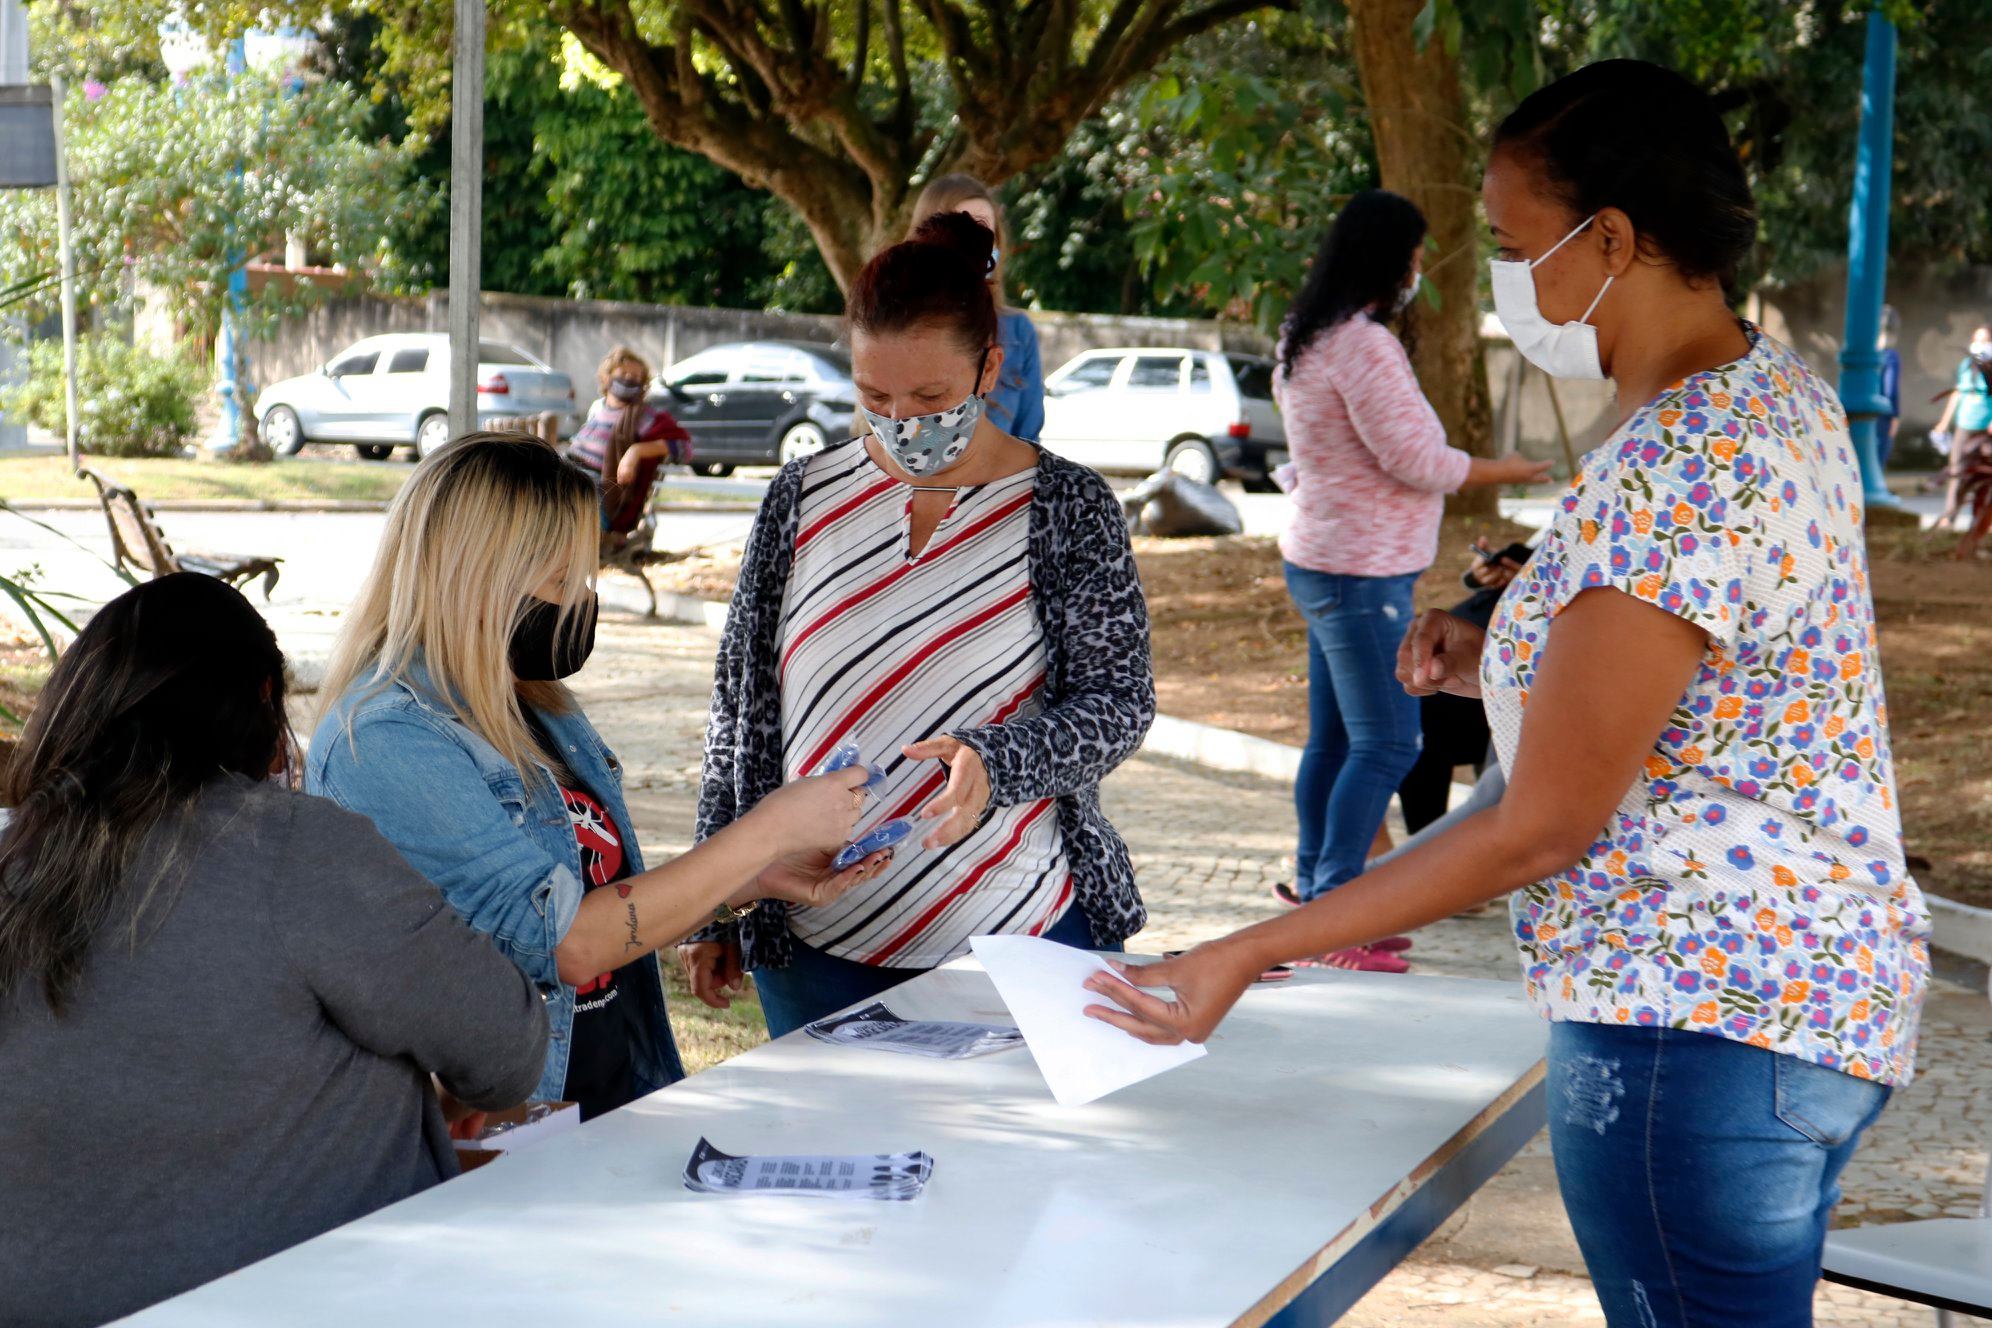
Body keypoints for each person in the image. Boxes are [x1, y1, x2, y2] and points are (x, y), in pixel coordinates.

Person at [1087, 61, 1929, 1328]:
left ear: (1616, 240)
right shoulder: (1774, 393)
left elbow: (1540, 824)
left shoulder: (1681, 460)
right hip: (1803, 993)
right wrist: (1507, 637)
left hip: (1696, 1019)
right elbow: (1698, 662)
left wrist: (1248, 947)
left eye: (1518, 245)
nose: (1504, 279)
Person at [0, 574, 550, 1327]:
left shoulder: (14, 855)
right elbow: (506, 1049)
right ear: (261, 697)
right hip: (296, 1300)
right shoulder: (291, 847)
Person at [308, 433, 884, 1120]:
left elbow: (606, 905)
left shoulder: (533, 706)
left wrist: (751, 879)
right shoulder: (386, 740)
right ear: (481, 576)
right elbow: (569, 944)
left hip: (607, 1093)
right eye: (563, 580)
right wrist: (767, 831)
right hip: (504, 1130)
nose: (582, 599)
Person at [680, 211, 1155, 1039]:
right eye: (874, 396)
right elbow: (740, 711)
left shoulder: (1069, 508)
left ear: (990, 368)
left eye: (931, 397)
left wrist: (997, 760)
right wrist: (715, 902)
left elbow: (1120, 704)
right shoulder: (798, 498)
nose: (901, 419)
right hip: (816, 955)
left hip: (1018, 942)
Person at [1271, 189, 1551, 974]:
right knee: (1391, 741)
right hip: (1362, 573)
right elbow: (1417, 460)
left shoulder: (1305, 334)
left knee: (1335, 739)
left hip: (1323, 559)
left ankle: (1315, 893)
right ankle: (1336, 914)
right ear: (1390, 260)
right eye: (1417, 257)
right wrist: (1506, 469)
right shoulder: (1363, 345)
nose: (1419, 271)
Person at [909, 174, 1044, 443]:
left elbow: (1029, 442)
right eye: (963, 232)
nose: (977, 246)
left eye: (986, 233)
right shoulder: (896, 323)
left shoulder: (1018, 332)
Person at [568, 345, 693, 535]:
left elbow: (684, 447)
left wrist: (636, 451)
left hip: (594, 495)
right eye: (623, 373)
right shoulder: (598, 409)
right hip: (570, 478)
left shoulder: (644, 417)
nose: (628, 379)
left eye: (635, 377)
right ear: (607, 377)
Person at [1874, 305, 1902, 471]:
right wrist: (1895, 417)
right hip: (1882, 417)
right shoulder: (1891, 356)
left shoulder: (1866, 354)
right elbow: (1890, 391)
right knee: (1877, 467)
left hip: (1858, 414)